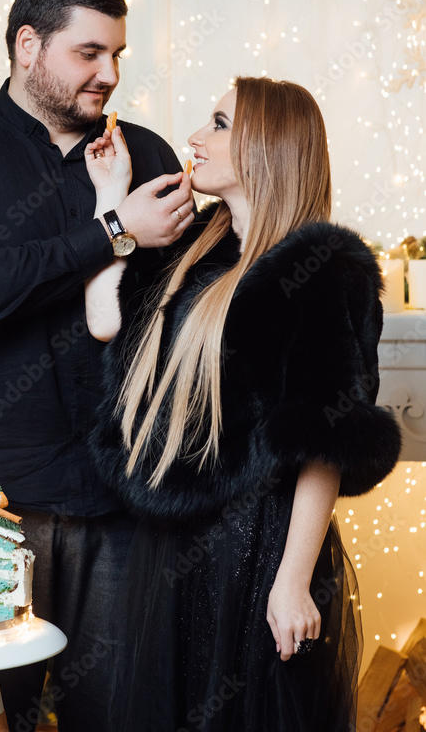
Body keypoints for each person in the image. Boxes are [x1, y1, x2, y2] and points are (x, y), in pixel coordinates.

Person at [0, 0, 195, 732]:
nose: (107, 74)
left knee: (128, 711)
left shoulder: (149, 158)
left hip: (122, 495)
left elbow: (184, 312)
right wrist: (112, 231)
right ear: (28, 46)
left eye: (116, 56)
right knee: (1, 716)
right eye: (87, 53)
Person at [83, 76, 402, 732]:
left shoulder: (324, 266)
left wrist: (290, 580)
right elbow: (100, 318)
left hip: (261, 546)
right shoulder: (191, 247)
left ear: (267, 146)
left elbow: (323, 442)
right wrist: (110, 201)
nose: (195, 138)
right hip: (174, 545)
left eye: (219, 123)